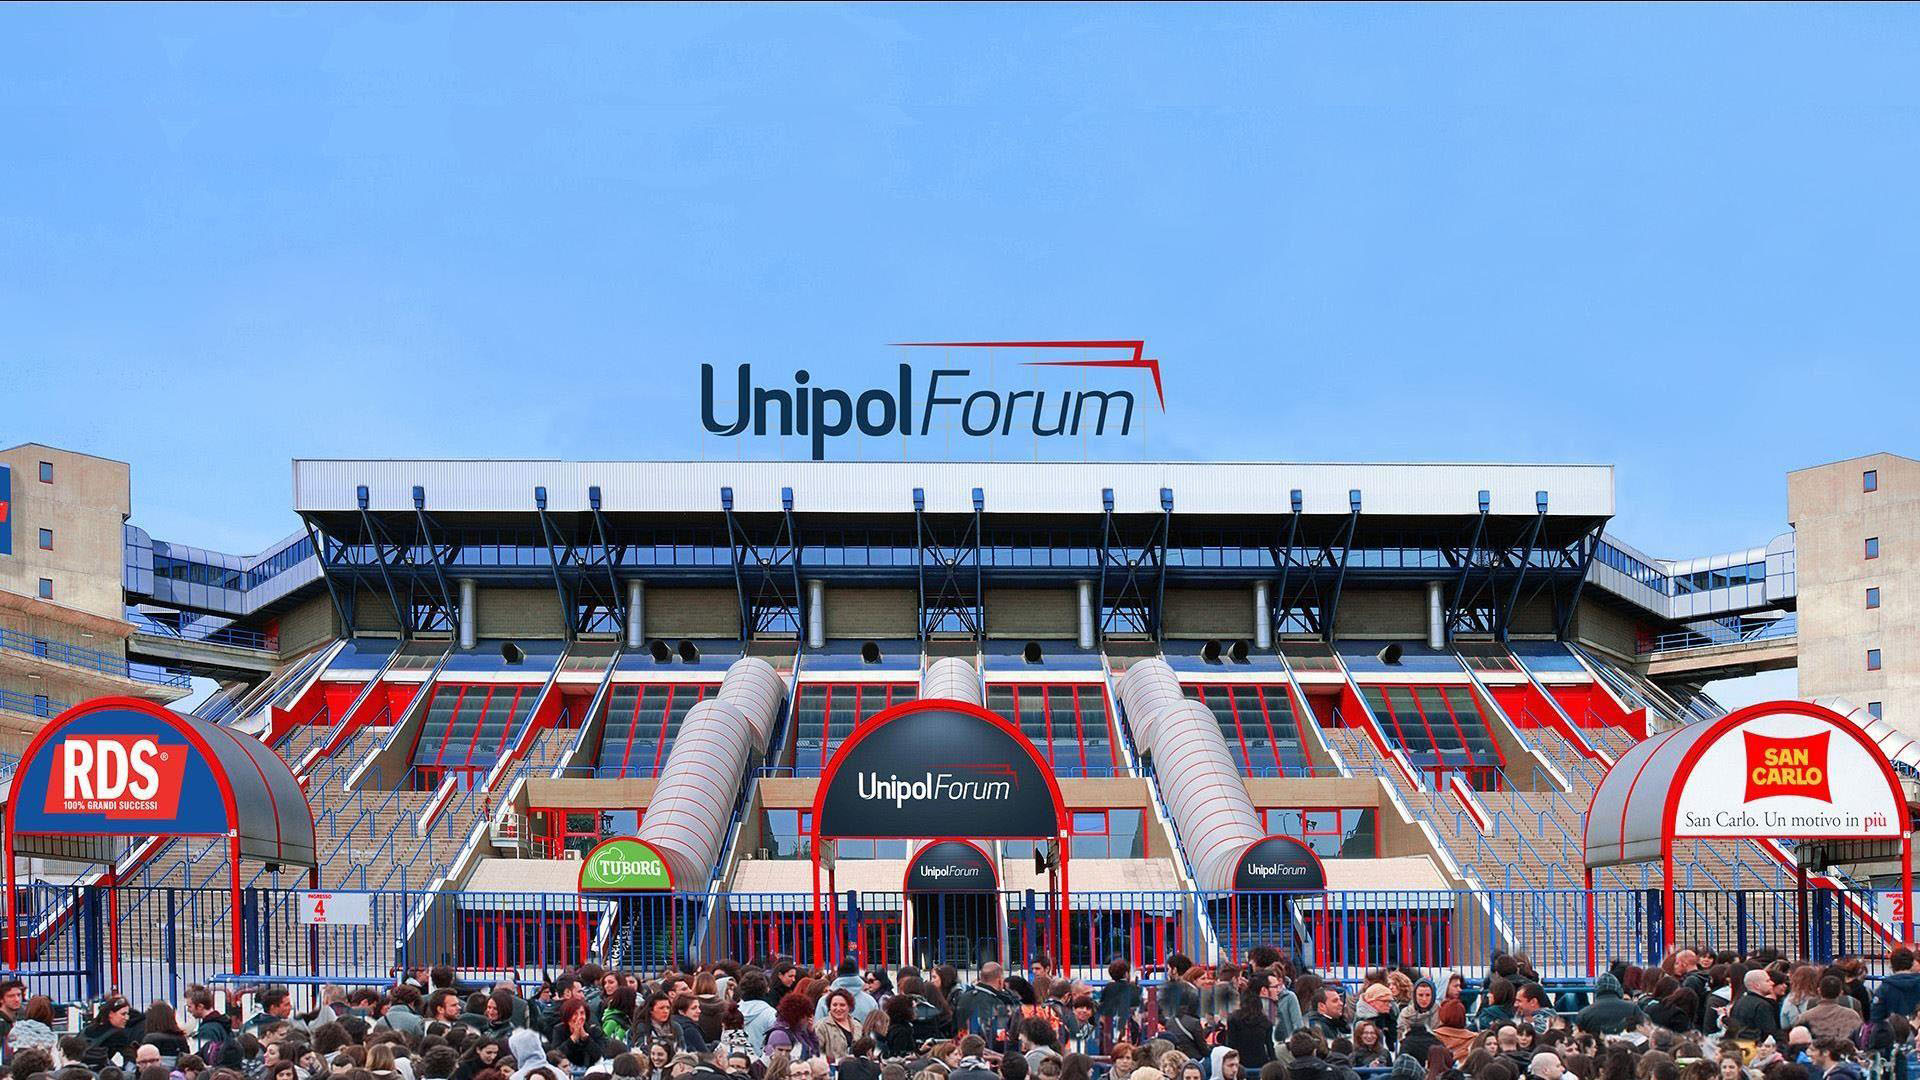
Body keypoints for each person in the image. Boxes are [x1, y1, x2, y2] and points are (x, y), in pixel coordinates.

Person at [1225, 977, 1278, 1070]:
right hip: (1261, 1063)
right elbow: (1270, 1046)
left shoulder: (1233, 1019)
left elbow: (1230, 1044)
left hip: (1240, 1064)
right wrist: (1275, 1064)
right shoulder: (1266, 1022)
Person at [1576, 975, 1645, 1037]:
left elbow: (1581, 1037)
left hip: (1597, 1045)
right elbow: (1643, 1028)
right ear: (1618, 989)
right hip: (1628, 1045)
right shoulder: (1632, 1008)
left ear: (1597, 990)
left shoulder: (1584, 1013)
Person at [814, 991, 858, 1062]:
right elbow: (816, 1053)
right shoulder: (821, 1026)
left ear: (849, 1007)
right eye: (834, 1005)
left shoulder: (857, 1025)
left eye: (842, 1005)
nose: (838, 1008)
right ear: (829, 1007)